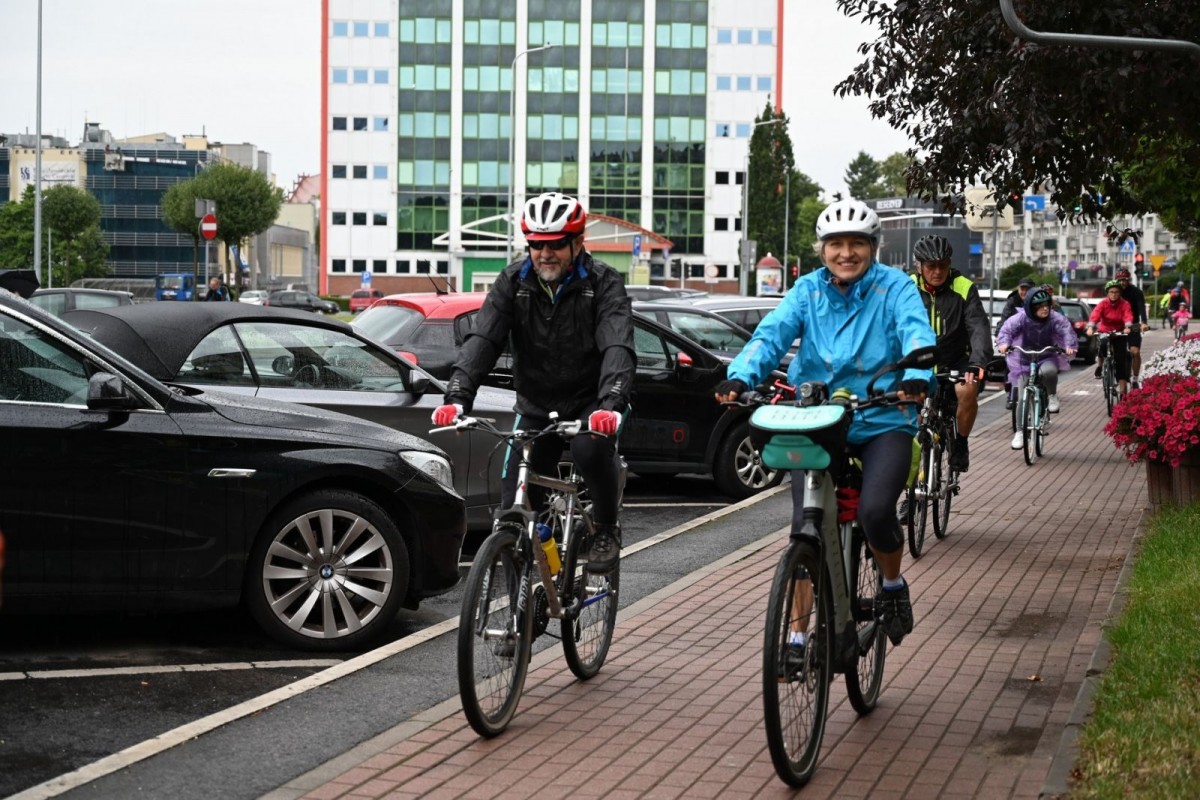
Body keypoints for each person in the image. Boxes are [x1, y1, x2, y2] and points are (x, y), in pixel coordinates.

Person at [713, 198, 936, 647]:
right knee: (806, 528)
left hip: (882, 417)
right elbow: (771, 335)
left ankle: (892, 584)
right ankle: (796, 640)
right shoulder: (807, 291)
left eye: (857, 243)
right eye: (836, 244)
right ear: (822, 249)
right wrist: (740, 376)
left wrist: (916, 375)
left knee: (875, 512)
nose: (846, 253)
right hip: (817, 421)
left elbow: (915, 331)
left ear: (873, 246)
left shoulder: (895, 287)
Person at [432, 192, 634, 574]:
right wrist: (458, 395)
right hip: (537, 405)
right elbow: (484, 339)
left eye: (555, 244)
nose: (545, 253)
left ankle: (607, 527)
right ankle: (527, 593)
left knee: (590, 451)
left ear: (578, 243)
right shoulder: (514, 282)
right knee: (514, 511)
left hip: (591, 403)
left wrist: (611, 404)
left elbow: (617, 344)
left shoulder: (603, 283)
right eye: (536, 244)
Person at [909, 235, 993, 472]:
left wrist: (978, 362)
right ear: (919, 266)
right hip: (918, 361)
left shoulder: (963, 287)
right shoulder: (906, 288)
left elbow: (978, 327)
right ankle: (912, 483)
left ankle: (961, 444)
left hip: (957, 359)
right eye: (931, 266)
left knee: (967, 390)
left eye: (943, 265)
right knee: (910, 417)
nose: (938, 271)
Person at [996, 288, 1077, 449]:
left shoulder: (1054, 318)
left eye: (1047, 305)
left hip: (1046, 355)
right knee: (1021, 396)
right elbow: (1007, 330)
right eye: (1040, 306)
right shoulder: (1021, 318)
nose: (1045, 309)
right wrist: (1004, 343)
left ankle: (1052, 395)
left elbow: (1066, 329)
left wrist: (1069, 345)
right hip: (1024, 358)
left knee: (1049, 372)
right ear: (1030, 308)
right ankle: (1020, 432)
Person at [1087, 279, 1134, 396]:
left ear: (1120, 293)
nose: (1114, 294)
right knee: (1102, 345)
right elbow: (1095, 315)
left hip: (1119, 332)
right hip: (1105, 330)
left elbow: (1128, 315)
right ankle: (1100, 365)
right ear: (1107, 293)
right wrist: (1091, 327)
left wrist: (1128, 327)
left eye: (1117, 292)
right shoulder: (1103, 303)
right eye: (1111, 292)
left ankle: (1123, 391)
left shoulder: (1124, 304)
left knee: (1121, 361)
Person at [1114, 269, 1149, 387]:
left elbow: (1141, 308)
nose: (1122, 282)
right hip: (1117, 325)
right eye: (1119, 280)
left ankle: (1135, 378)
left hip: (1133, 325)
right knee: (1113, 352)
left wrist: (1143, 323)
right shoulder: (1114, 292)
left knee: (1135, 352)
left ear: (1128, 280)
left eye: (1124, 280)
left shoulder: (1136, 292)